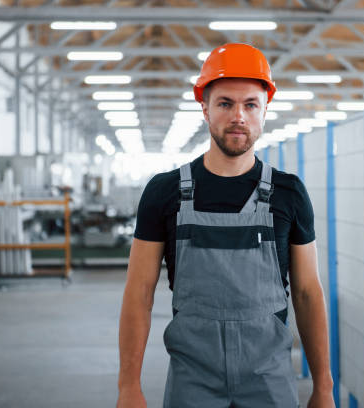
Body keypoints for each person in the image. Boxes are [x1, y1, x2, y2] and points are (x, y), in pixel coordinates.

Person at [117, 43, 334, 408]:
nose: (239, 116)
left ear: (265, 110)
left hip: (269, 380)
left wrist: (323, 388)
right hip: (192, 380)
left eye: (250, 104)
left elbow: (308, 293)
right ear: (204, 108)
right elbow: (139, 292)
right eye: (225, 104)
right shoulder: (164, 192)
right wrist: (128, 386)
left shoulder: (288, 193)